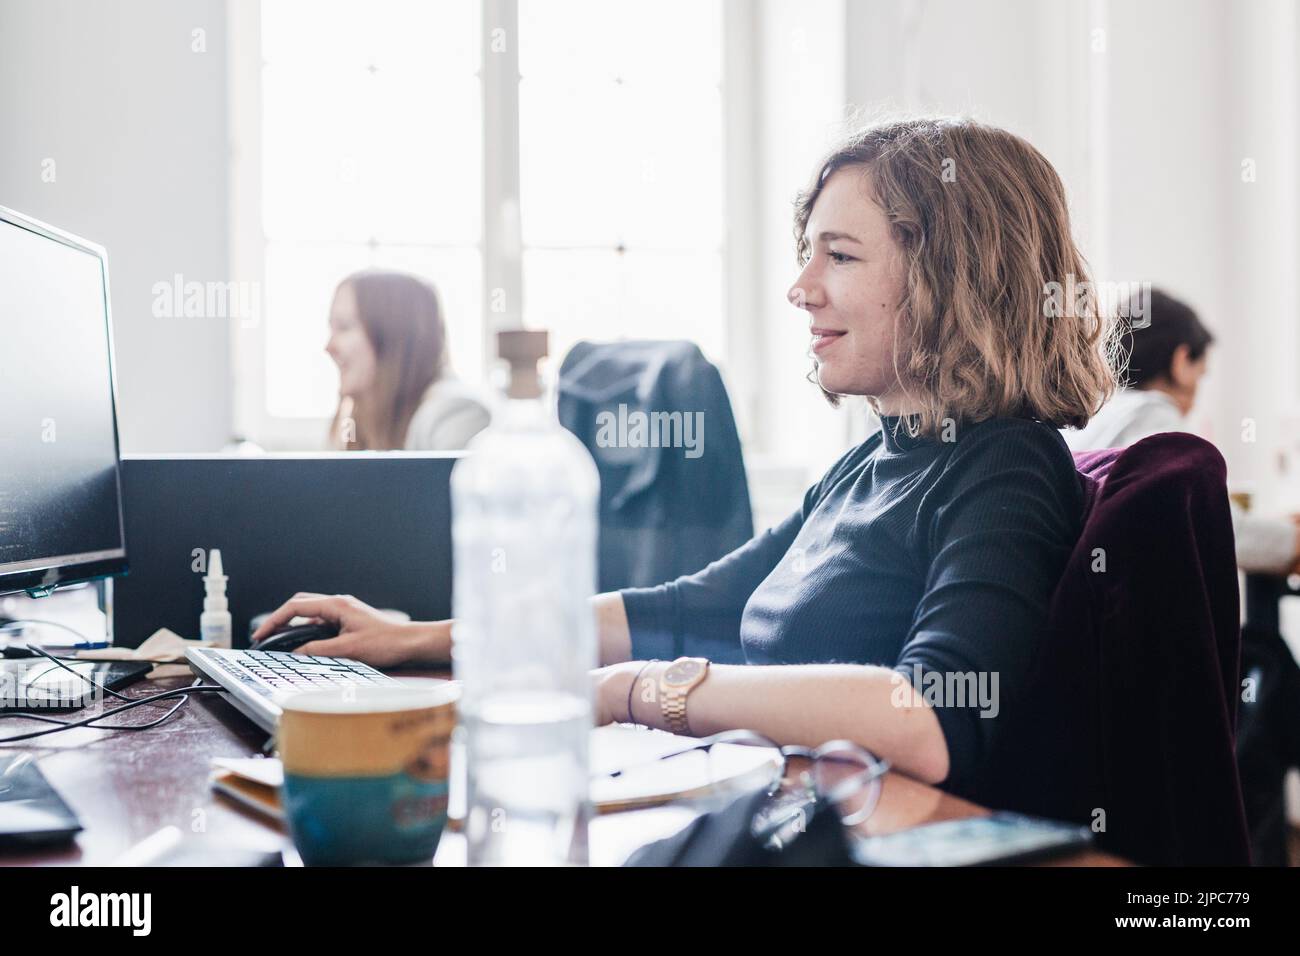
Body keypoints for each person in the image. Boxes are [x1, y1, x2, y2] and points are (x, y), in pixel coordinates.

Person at [255, 118, 1116, 798]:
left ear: (951, 278)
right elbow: (681, 609)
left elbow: (930, 718)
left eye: (840, 256)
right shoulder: (871, 464)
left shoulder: (1005, 469)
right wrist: (423, 637)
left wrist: (642, 693)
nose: (801, 286)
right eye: (806, 251)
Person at [1064, 287, 1300, 573]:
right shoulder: (1153, 421)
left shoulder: (1094, 416)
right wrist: (1292, 540)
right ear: (1181, 361)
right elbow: (1220, 531)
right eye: (1200, 375)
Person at [325, 269, 490, 451]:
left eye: (345, 327)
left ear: (391, 336)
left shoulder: (455, 415)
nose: (329, 347)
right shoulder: (364, 420)